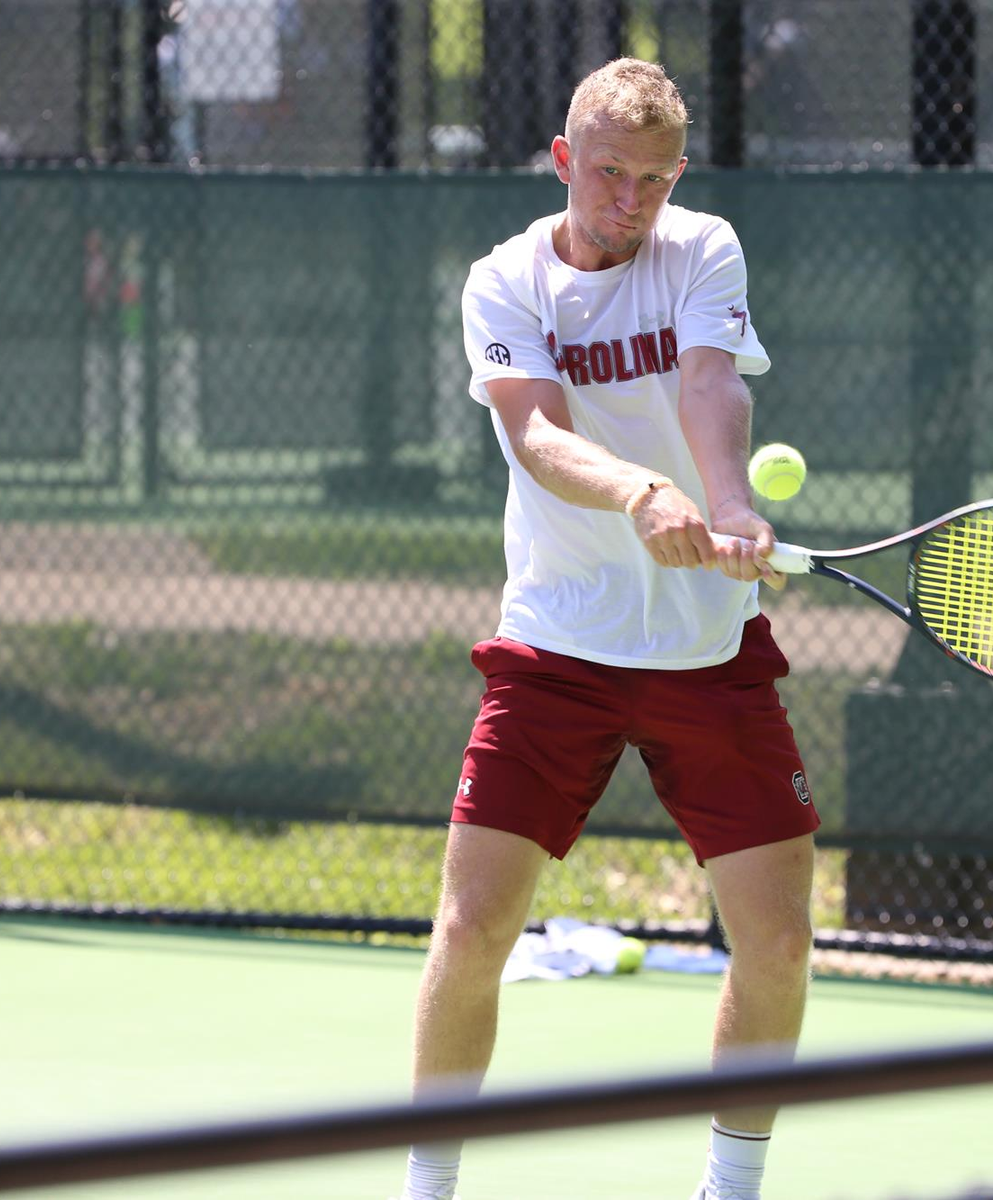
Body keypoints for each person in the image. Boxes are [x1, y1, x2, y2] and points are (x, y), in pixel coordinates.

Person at [400, 57, 819, 1200]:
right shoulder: (502, 282)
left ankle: (729, 1190)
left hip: (707, 653)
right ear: (563, 163)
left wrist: (727, 506)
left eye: (652, 179)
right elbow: (535, 436)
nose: (628, 201)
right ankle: (425, 1191)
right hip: (554, 651)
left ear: (678, 176)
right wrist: (643, 495)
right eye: (607, 174)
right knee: (475, 930)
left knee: (778, 943)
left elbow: (710, 388)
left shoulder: (703, 248)